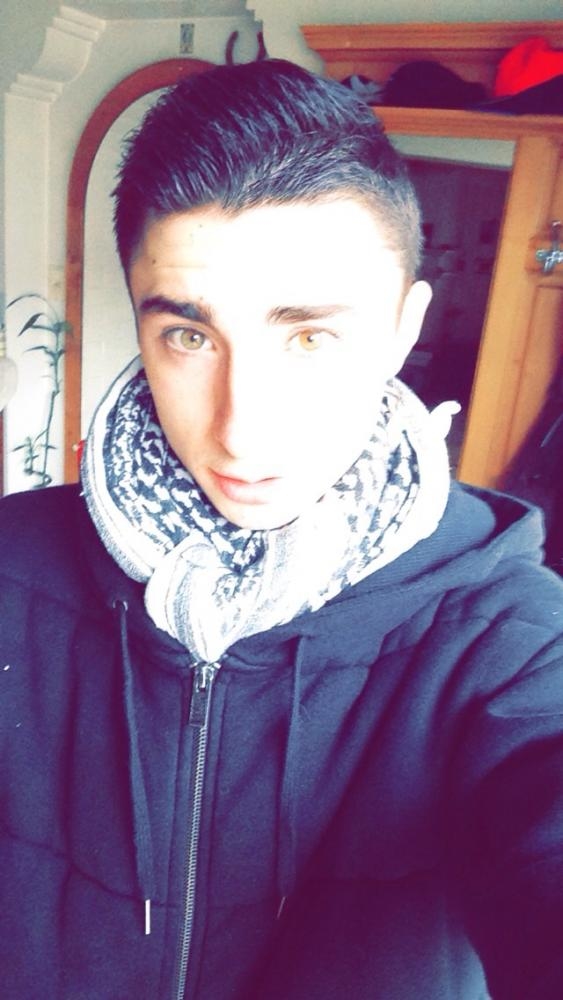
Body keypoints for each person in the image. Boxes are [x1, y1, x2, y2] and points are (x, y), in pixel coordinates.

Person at [1, 58, 563, 1000]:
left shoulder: (508, 636)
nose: (241, 430)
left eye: (309, 336)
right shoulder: (11, 568)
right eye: (189, 336)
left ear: (401, 331)